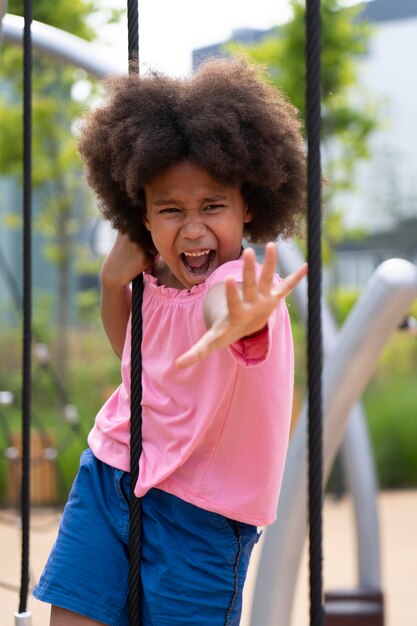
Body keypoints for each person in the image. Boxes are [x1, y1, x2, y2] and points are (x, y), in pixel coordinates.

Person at [33, 57, 308, 626]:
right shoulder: (151, 273)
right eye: (170, 210)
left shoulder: (237, 283)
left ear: (248, 205)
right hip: (111, 472)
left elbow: (221, 307)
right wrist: (114, 280)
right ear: (144, 214)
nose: (192, 228)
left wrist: (237, 321)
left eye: (213, 206)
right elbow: (132, 357)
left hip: (200, 513)